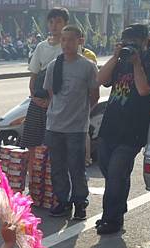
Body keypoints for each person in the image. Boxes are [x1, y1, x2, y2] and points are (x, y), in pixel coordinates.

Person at [95, 24, 150, 235]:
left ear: (145, 41)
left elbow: (144, 91)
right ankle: (117, 208)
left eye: (134, 42)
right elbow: (100, 80)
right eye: (126, 42)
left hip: (132, 130)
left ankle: (111, 219)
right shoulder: (120, 61)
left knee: (116, 173)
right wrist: (116, 57)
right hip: (110, 126)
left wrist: (136, 64)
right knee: (110, 171)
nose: (130, 47)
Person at [43, 25, 99, 220]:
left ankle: (80, 203)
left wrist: (81, 114)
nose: (66, 44)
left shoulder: (88, 66)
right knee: (57, 167)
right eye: (63, 40)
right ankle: (62, 201)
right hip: (54, 126)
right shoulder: (53, 65)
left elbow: (94, 96)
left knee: (77, 167)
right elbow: (51, 94)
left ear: (80, 41)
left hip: (76, 128)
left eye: (71, 40)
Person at [20, 7, 70, 176]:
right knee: (32, 142)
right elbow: (34, 75)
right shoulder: (41, 47)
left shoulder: (69, 48)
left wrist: (52, 102)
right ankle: (33, 179)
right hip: (37, 101)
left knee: (54, 144)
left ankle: (50, 181)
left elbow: (69, 81)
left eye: (58, 22)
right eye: (51, 22)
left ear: (66, 24)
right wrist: (34, 97)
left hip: (58, 104)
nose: (54, 25)